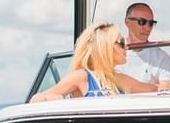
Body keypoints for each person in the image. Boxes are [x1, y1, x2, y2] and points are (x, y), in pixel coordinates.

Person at [30, 21, 162, 102]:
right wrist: (49, 98)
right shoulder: (82, 76)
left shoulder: (119, 79)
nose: (126, 47)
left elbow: (155, 89)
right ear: (104, 46)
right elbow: (37, 99)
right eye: (121, 42)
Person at [118, 2, 170, 90]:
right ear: (127, 22)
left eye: (151, 23)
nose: (147, 28)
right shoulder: (112, 52)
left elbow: (165, 90)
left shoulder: (162, 57)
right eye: (142, 22)